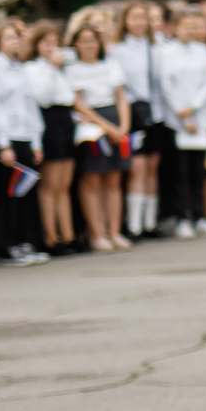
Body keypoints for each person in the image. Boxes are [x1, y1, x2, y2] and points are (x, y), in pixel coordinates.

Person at [0, 20, 52, 262]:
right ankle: (8, 244)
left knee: (25, 193)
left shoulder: (20, 68)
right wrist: (4, 145)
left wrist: (36, 142)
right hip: (8, 137)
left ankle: (25, 241)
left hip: (25, 135)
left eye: (17, 37)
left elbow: (30, 105)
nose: (15, 41)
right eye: (9, 37)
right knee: (8, 194)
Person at [64, 24, 131, 251]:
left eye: (93, 40)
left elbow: (121, 97)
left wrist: (123, 126)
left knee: (114, 180)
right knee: (93, 179)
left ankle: (115, 231)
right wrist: (107, 128)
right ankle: (97, 232)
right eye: (84, 40)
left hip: (114, 118)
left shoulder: (111, 65)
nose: (90, 45)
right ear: (76, 44)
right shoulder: (74, 69)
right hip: (92, 126)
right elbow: (79, 103)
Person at [164, 9, 206, 236]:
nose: (190, 30)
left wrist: (195, 107)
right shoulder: (167, 52)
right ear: (175, 27)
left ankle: (201, 215)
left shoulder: (202, 50)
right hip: (178, 118)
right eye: (185, 25)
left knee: (200, 170)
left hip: (200, 116)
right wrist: (183, 113)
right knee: (180, 172)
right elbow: (167, 85)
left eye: (193, 25)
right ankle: (182, 217)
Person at [112, 0, 167, 239]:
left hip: (155, 112)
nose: (139, 22)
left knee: (152, 168)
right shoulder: (118, 49)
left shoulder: (156, 47)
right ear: (125, 21)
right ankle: (134, 224)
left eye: (143, 18)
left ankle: (149, 221)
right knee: (138, 168)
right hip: (133, 111)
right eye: (134, 17)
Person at [28, 24, 81, 255]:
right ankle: (51, 237)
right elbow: (43, 97)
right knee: (50, 185)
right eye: (46, 43)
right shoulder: (33, 68)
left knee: (64, 184)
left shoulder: (63, 68)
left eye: (54, 43)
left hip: (65, 119)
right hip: (48, 121)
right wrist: (50, 67)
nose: (51, 48)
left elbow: (71, 95)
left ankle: (68, 235)